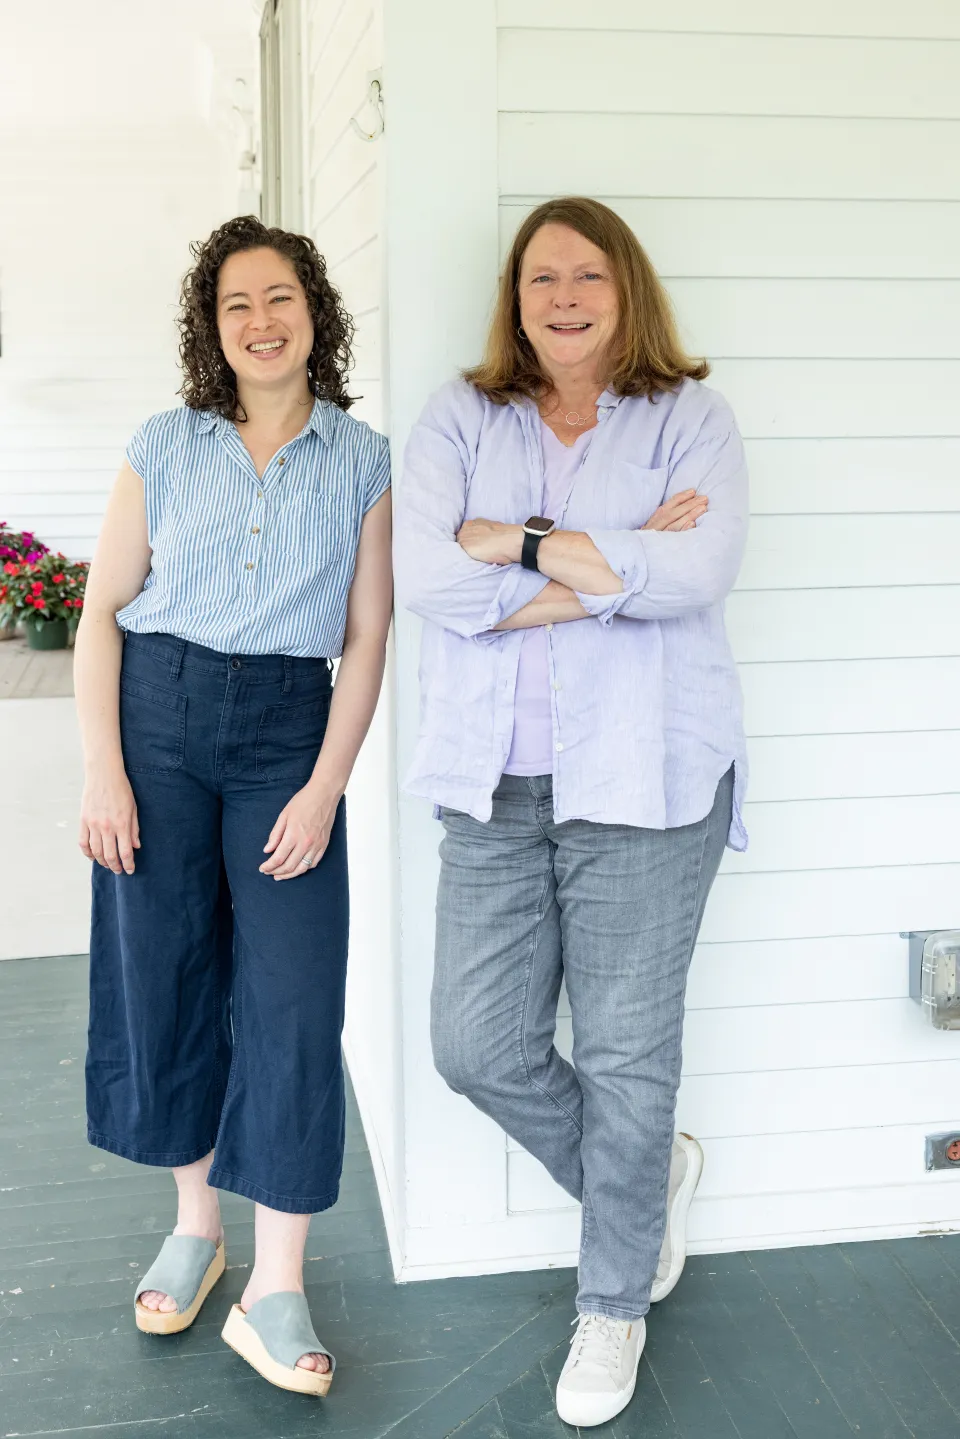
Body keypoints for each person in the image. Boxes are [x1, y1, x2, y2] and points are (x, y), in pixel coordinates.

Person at [394, 196, 748, 1429]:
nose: (563, 296)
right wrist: (605, 564)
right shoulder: (461, 412)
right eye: (541, 275)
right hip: (493, 783)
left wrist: (519, 543)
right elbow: (429, 577)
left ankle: (616, 1301)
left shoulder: (690, 420)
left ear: (626, 289)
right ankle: (643, 1189)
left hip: (648, 784)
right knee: (474, 1043)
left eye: (588, 274)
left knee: (626, 1054)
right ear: (516, 294)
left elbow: (695, 572)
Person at [75, 215, 392, 1397]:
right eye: (235, 305)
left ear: (316, 310)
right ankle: (198, 1225)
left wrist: (324, 786)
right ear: (212, 328)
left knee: (293, 998)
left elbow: (365, 638)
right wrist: (105, 769)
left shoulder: (363, 460)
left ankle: (278, 1282)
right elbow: (100, 613)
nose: (260, 322)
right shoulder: (165, 442)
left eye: (280, 298)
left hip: (284, 739)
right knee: (170, 971)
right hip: (157, 720)